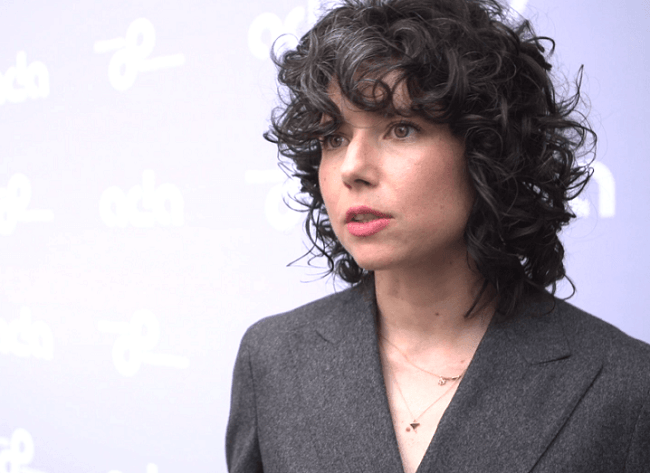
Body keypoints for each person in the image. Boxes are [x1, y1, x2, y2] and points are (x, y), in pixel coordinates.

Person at [226, 0, 650, 471]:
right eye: (334, 138)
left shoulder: (625, 386)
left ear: (487, 149)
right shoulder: (271, 359)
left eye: (401, 129)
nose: (352, 168)